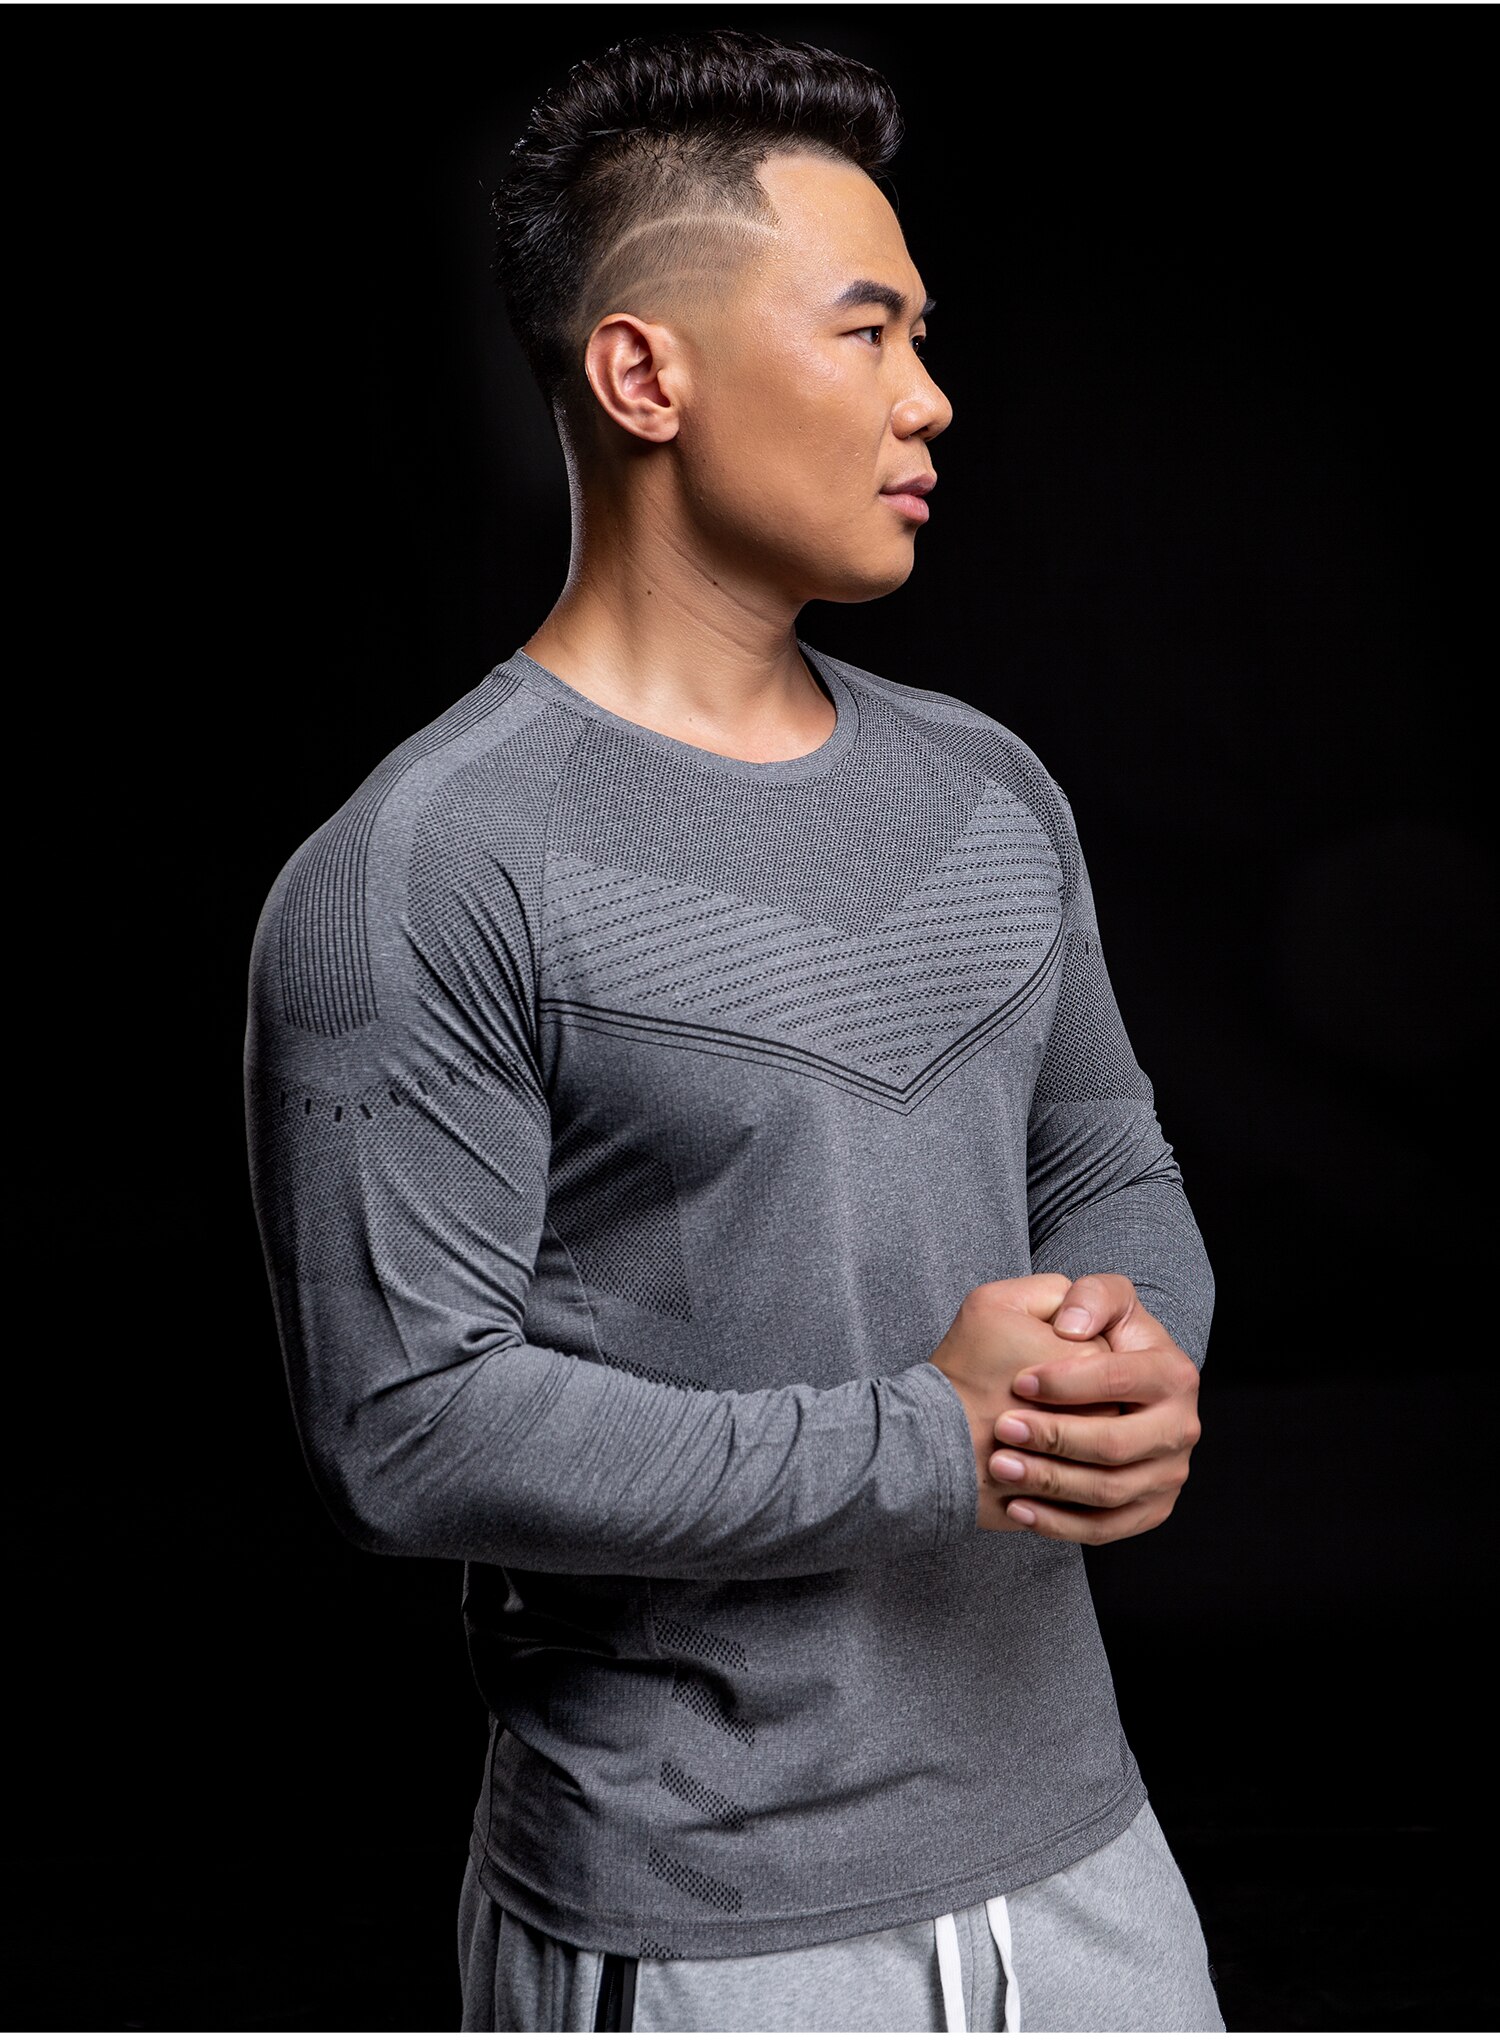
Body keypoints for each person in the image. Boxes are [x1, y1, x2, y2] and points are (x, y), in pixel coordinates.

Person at [244, 26, 1224, 2034]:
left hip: (1096, 1865)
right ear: (643, 375)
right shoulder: (421, 868)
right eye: (865, 332)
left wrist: (1144, 1352)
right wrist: (935, 1435)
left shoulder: (989, 786)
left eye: (922, 337)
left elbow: (1109, 1152)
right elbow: (403, 1429)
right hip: (704, 1926)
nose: (928, 396)